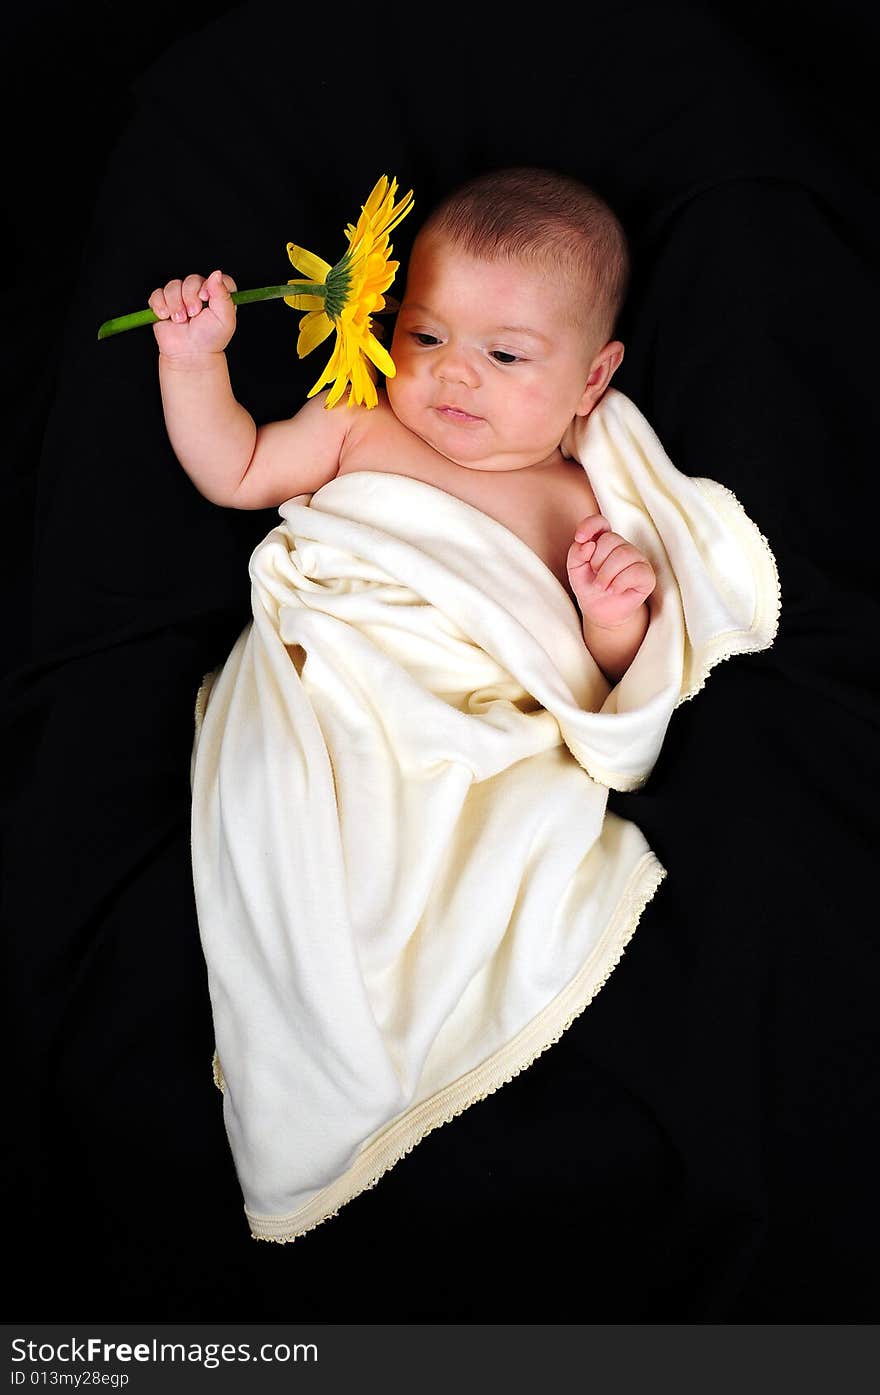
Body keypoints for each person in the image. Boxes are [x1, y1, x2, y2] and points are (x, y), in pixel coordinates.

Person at [149, 166, 656, 684]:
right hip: (334, 675)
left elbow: (614, 674)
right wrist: (193, 363)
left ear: (592, 379)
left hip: (479, 720)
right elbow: (235, 471)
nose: (453, 371)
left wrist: (611, 617)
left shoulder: (583, 504)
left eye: (504, 354)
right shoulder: (359, 420)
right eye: (426, 337)